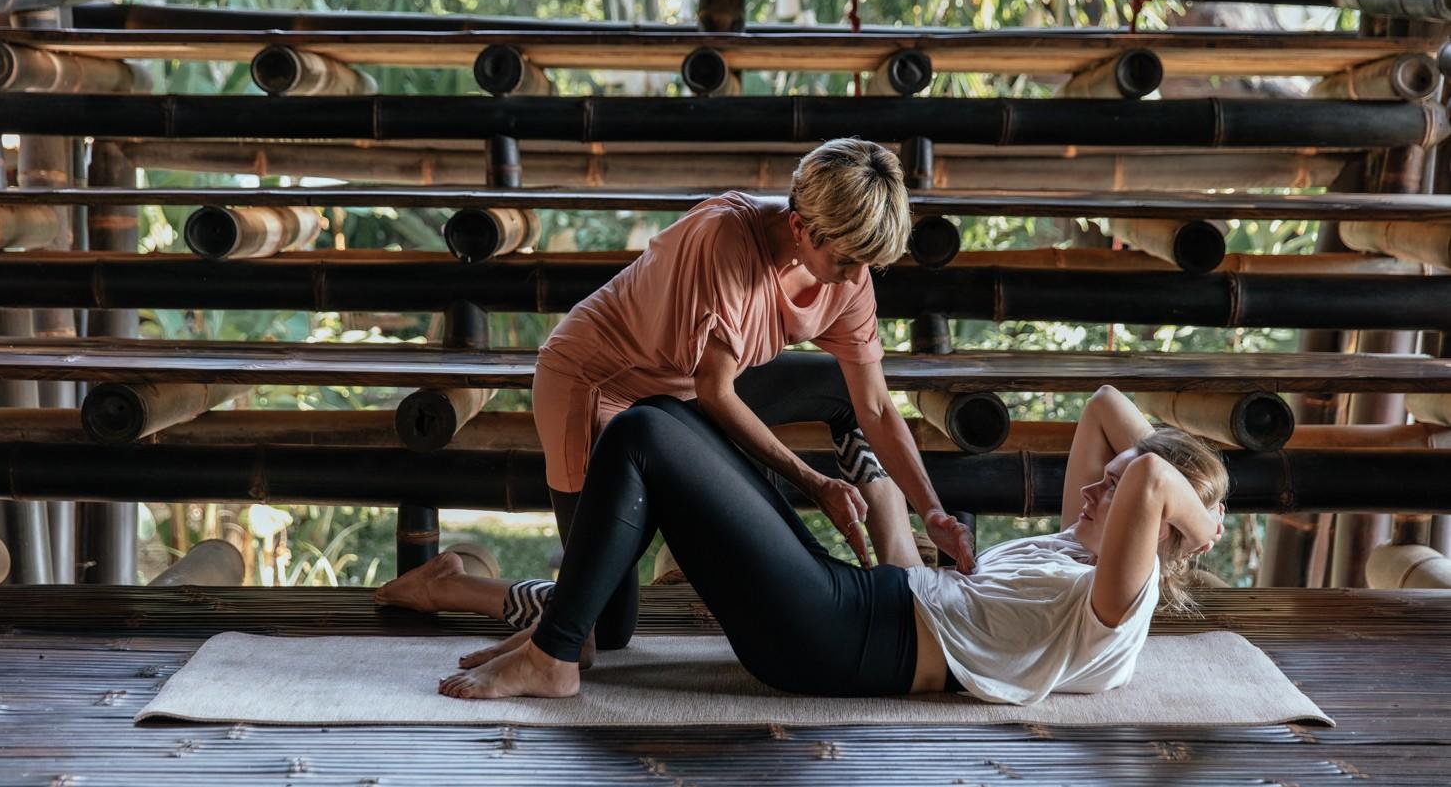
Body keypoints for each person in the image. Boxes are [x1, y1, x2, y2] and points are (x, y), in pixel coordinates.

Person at [382, 138, 976, 648]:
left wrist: (933, 511)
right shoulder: (725, 240)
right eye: (845, 261)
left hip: (683, 395)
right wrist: (815, 482)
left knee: (839, 392)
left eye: (866, 264)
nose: (854, 278)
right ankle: (449, 585)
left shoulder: (849, 273)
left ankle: (901, 568)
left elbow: (875, 406)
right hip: (594, 386)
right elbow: (716, 394)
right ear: (800, 227)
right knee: (603, 628)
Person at [414, 385, 1227, 703]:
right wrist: (885, 505)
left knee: (643, 436)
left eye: (1112, 489)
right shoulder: (1074, 548)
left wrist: (1205, 523)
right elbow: (1105, 405)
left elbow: (1152, 472)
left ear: (1160, 525)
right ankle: (563, 634)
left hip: (838, 638)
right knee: (665, 416)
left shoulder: (1117, 606)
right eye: (1103, 479)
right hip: (850, 605)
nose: (1090, 491)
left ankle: (557, 652)